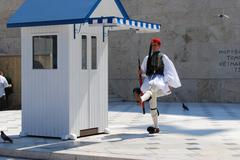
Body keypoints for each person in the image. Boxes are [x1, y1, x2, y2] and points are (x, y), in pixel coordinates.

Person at [134, 37, 181, 134]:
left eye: (155, 45)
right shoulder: (147, 58)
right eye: (153, 45)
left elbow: (169, 70)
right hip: (150, 79)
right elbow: (144, 72)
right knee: (153, 105)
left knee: (152, 87)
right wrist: (140, 72)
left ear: (159, 46)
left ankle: (141, 99)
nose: (154, 47)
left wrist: (170, 83)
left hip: (160, 81)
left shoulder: (163, 57)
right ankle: (156, 127)